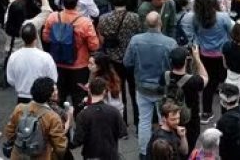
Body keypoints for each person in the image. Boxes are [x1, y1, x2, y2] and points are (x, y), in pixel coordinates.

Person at [124, 10, 178, 156]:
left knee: (144, 121)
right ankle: (165, 151)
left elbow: (127, 62)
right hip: (162, 89)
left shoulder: (135, 40)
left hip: (142, 87)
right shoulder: (170, 43)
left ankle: (144, 152)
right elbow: (175, 66)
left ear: (146, 23)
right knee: (164, 121)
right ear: (160, 22)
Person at [2, 77, 70, 160]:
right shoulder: (53, 117)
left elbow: (9, 132)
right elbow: (60, 146)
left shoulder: (20, 109)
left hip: (18, 155)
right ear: (49, 95)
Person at [71, 77, 126, 160]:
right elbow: (122, 132)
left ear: (89, 91)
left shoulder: (83, 115)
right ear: (104, 91)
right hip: (111, 154)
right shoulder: (114, 111)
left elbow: (77, 141)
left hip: (91, 155)